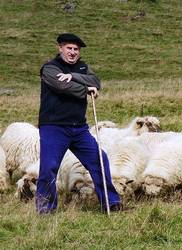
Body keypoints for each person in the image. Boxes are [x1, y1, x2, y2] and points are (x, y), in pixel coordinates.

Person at [36, 33, 121, 214]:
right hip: (54, 126)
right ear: (60, 48)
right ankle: (45, 208)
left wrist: (74, 76)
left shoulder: (82, 67)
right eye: (69, 48)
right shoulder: (50, 68)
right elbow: (62, 87)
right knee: (48, 168)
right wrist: (86, 89)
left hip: (79, 128)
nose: (73, 52)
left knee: (99, 158)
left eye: (76, 49)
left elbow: (96, 81)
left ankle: (111, 203)